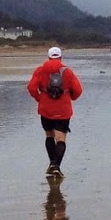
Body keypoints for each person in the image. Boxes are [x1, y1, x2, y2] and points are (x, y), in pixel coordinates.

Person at [26, 45, 83, 177]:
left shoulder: (40, 70)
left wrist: (39, 98)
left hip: (45, 108)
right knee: (61, 139)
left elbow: (31, 87)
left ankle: (52, 163)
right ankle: (56, 165)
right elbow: (78, 90)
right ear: (61, 57)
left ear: (48, 57)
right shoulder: (67, 71)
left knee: (49, 135)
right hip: (63, 108)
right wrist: (71, 97)